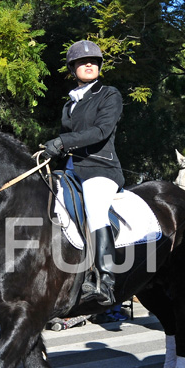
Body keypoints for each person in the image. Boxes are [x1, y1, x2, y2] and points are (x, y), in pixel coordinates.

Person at [43, 39, 124, 307]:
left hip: (100, 170)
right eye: (82, 61)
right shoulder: (69, 105)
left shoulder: (109, 94)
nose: (89, 64)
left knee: (95, 208)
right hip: (71, 170)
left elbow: (101, 131)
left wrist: (64, 142)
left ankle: (105, 280)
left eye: (93, 61)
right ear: (72, 67)